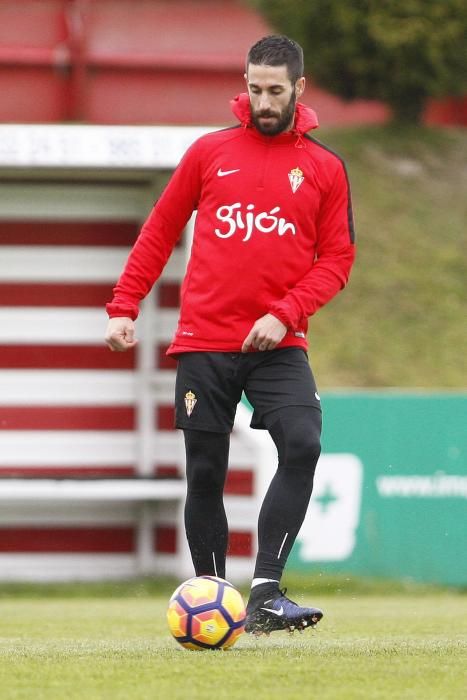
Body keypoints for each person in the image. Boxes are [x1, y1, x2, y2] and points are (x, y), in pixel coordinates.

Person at [105, 35, 355, 636]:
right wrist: (124, 303)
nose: (262, 101)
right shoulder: (210, 152)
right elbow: (161, 229)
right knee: (207, 470)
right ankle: (215, 597)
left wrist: (286, 311)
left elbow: (338, 259)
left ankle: (266, 591)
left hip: (278, 343)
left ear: (299, 86)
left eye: (275, 90)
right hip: (205, 341)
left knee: (303, 443)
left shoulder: (323, 167)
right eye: (254, 88)